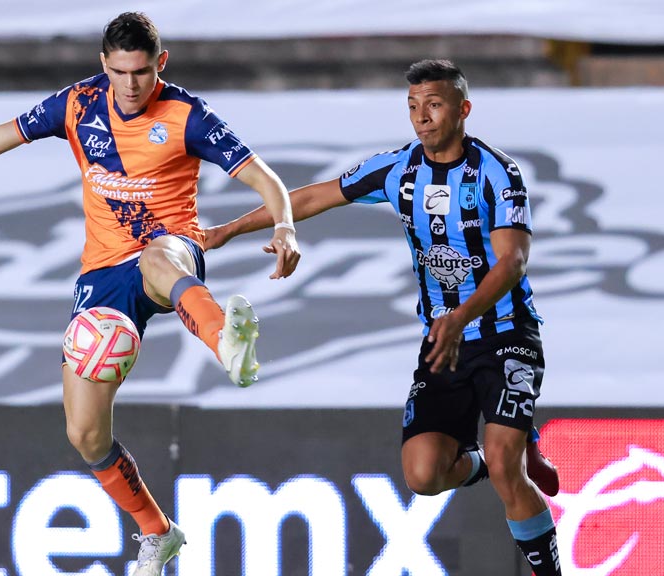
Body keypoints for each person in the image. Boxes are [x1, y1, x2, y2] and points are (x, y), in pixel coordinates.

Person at [0, 12, 300, 575]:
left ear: (160, 64)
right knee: (85, 433)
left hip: (171, 248)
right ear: (103, 65)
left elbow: (264, 178)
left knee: (157, 258)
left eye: (142, 72)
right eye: (120, 72)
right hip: (101, 275)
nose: (131, 85)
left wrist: (284, 225)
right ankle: (158, 531)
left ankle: (226, 341)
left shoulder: (187, 114)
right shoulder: (77, 105)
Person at [205, 59, 562, 575]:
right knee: (423, 475)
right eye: (413, 106)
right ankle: (496, 452)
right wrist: (228, 230)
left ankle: (518, 477)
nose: (422, 117)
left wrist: (461, 317)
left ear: (463, 109)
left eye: (434, 105)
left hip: (505, 333)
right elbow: (313, 196)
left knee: (510, 472)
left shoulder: (497, 172)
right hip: (442, 339)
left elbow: (513, 262)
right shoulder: (398, 169)